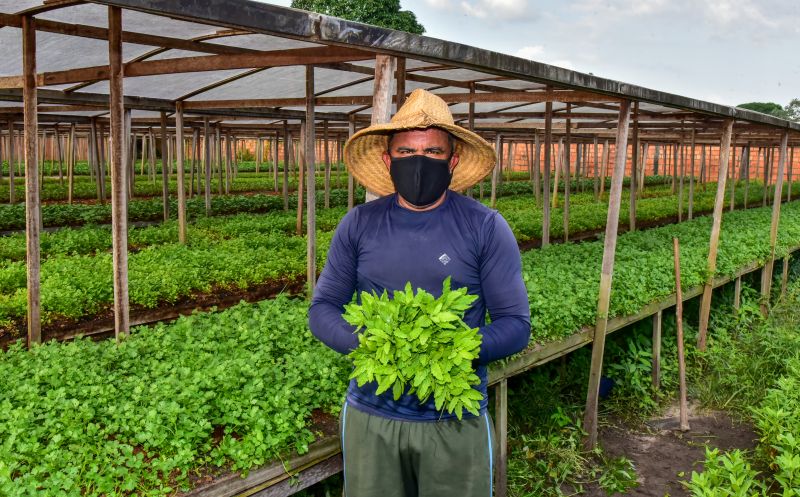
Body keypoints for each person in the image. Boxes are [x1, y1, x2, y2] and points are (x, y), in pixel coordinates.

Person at [308, 88, 530, 497]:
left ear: (453, 160)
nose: (419, 162)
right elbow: (322, 308)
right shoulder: (359, 224)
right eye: (407, 152)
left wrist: (447, 349)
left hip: (453, 416)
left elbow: (516, 325)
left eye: (433, 152)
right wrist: (371, 345)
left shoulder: (485, 226)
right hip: (372, 413)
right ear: (388, 160)